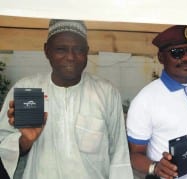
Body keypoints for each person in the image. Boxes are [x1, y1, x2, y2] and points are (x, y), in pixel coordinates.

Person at [0, 19, 133, 179]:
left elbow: (119, 155)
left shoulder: (106, 92)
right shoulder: (27, 87)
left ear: (87, 52)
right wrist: (25, 141)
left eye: (78, 49)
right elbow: (2, 146)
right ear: (46, 51)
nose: (70, 57)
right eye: (61, 49)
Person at [126, 25, 187, 179]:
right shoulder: (145, 100)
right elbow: (135, 155)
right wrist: (155, 167)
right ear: (161, 57)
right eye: (177, 53)